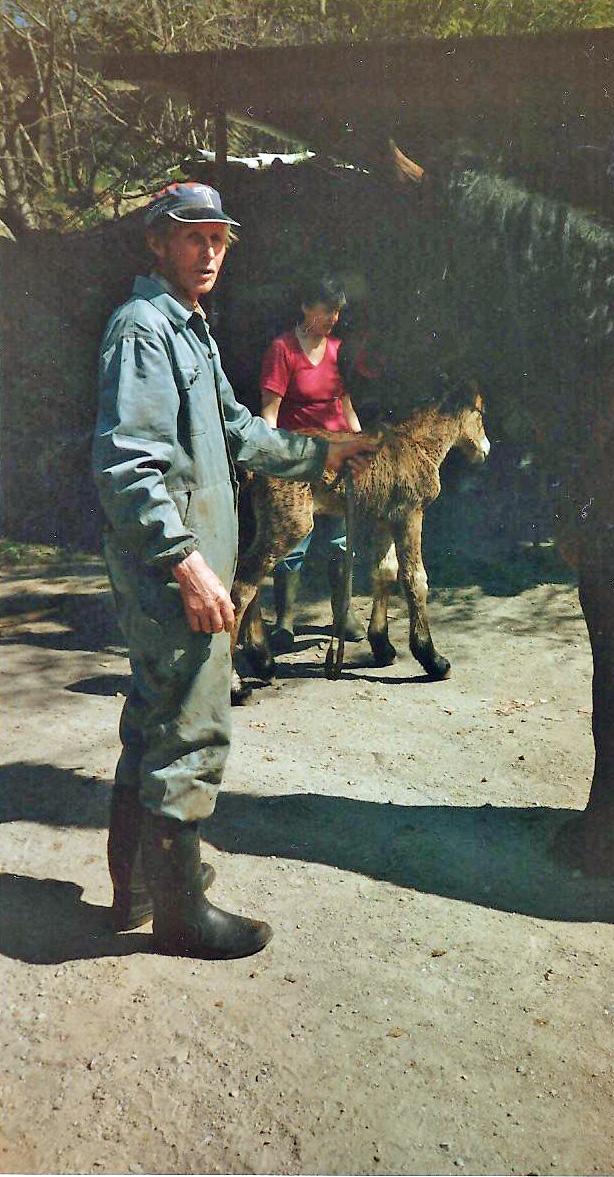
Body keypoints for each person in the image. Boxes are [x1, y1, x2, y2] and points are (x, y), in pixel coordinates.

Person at [92, 181, 374, 960]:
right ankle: (180, 913)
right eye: (193, 237)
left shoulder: (191, 329)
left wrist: (322, 451)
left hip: (190, 561)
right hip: (173, 568)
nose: (210, 251)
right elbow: (125, 465)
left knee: (154, 715)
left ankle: (140, 885)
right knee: (189, 724)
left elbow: (241, 430)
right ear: (159, 242)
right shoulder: (145, 330)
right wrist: (186, 564)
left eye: (219, 238)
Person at [258, 277, 366, 653]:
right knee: (293, 538)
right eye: (326, 309)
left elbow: (345, 403)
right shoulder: (282, 350)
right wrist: (268, 459)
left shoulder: (338, 350)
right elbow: (269, 414)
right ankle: (285, 620)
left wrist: (360, 440)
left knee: (341, 536)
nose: (333, 318)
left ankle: (344, 613)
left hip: (337, 458)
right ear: (306, 307)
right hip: (298, 458)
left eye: (337, 311)